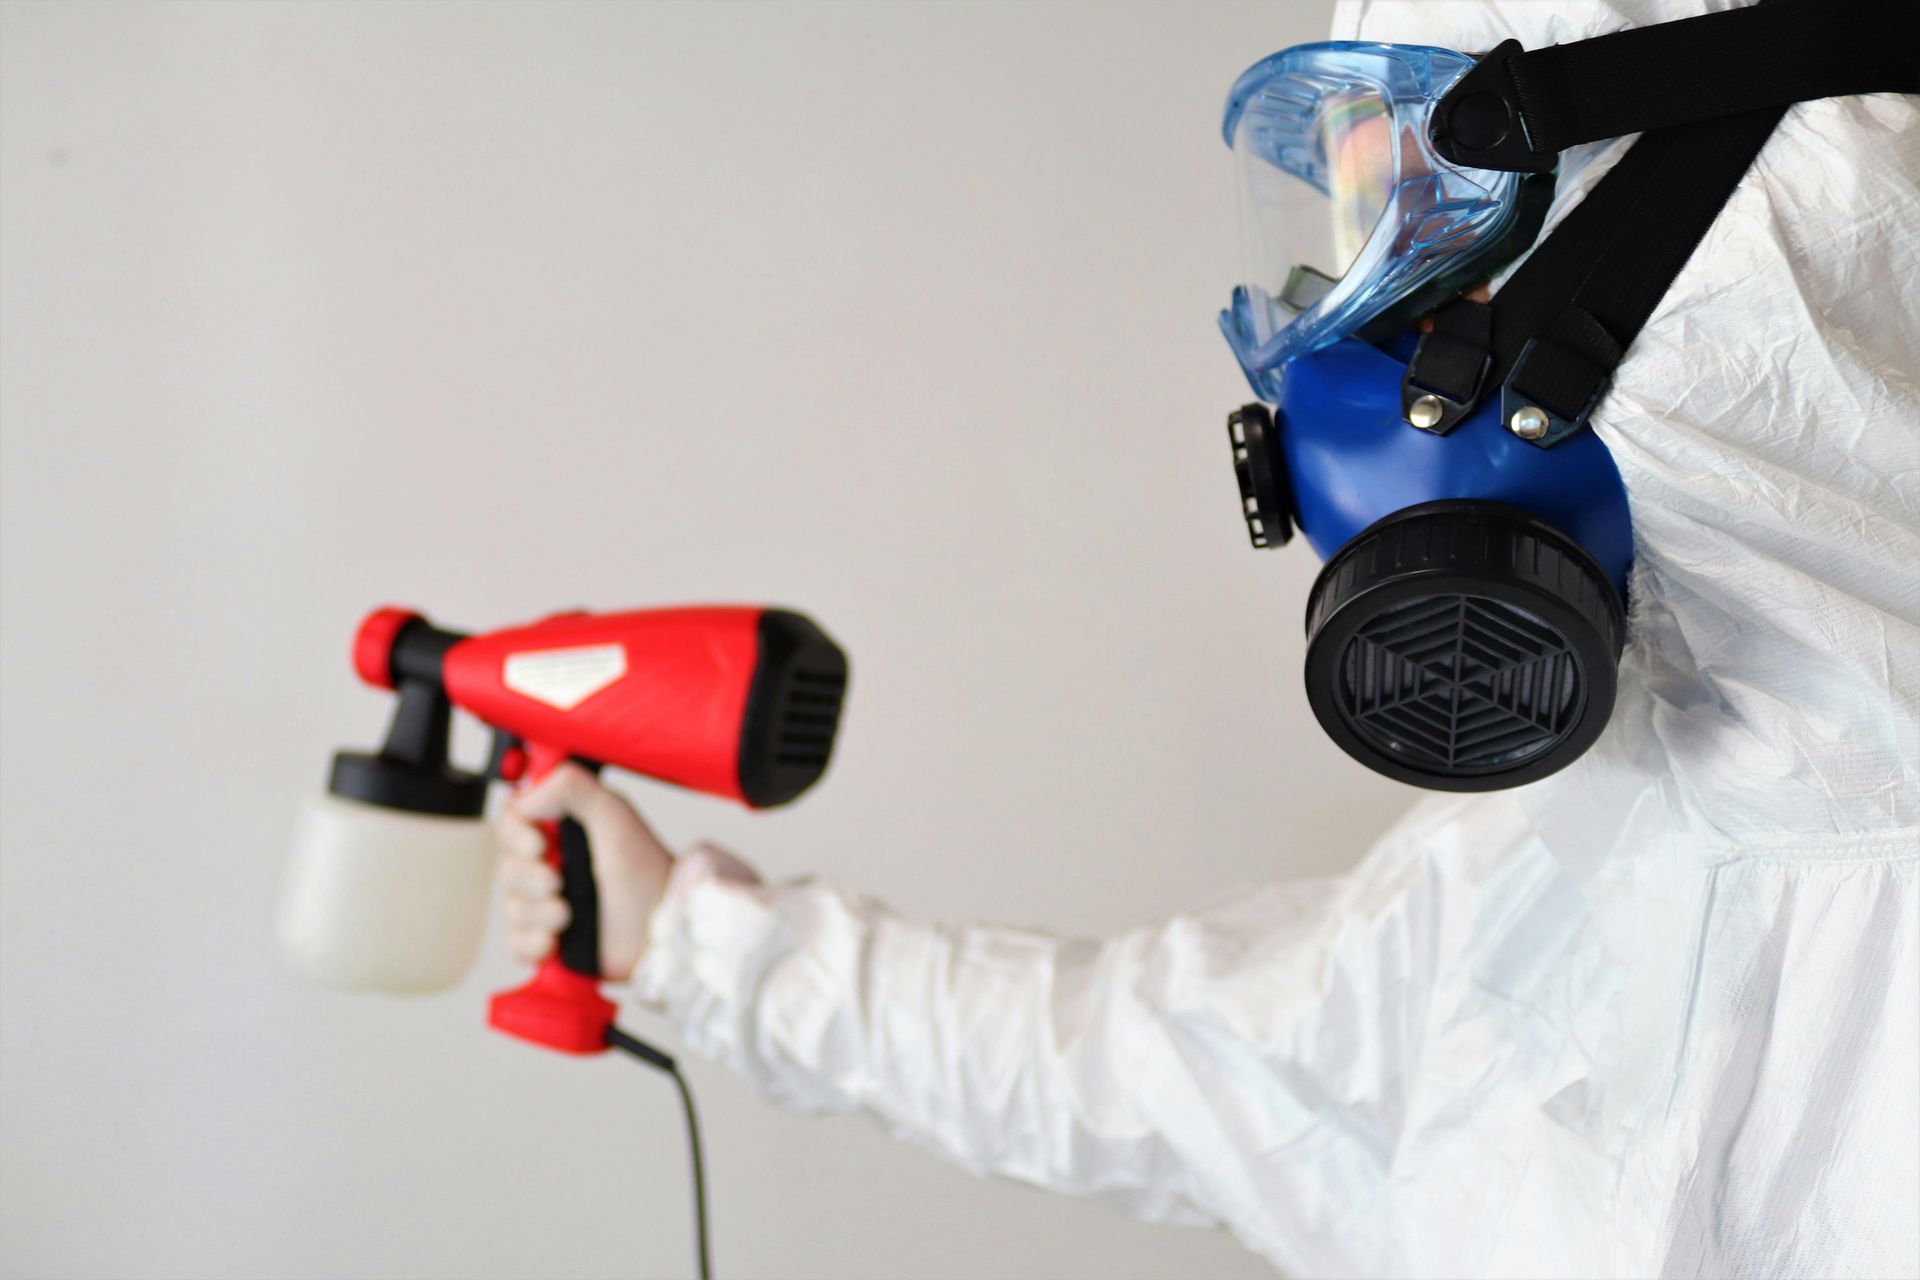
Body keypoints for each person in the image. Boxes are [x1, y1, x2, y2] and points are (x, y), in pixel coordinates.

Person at [499, 2, 1919, 1276]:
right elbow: (1185, 1064)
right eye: (1374, 227)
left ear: (1782, 237)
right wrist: (688, 935)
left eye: (1442, 234)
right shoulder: (1615, 827)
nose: (1357, 342)